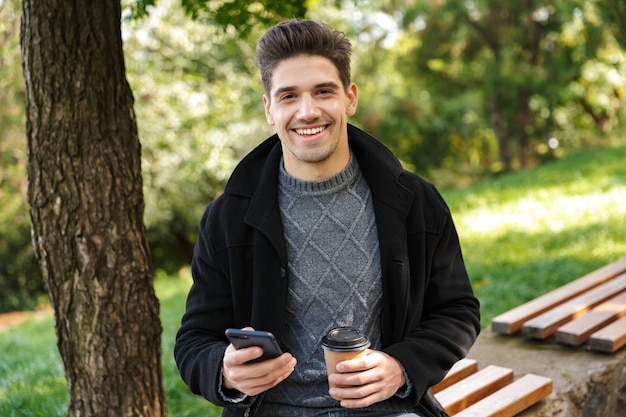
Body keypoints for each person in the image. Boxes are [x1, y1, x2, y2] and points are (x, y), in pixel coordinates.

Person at [174, 18, 480, 417]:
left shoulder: (415, 202)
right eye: (288, 96)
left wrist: (400, 366)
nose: (307, 111)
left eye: (323, 92)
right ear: (269, 109)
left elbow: (458, 312)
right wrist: (225, 370)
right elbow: (193, 342)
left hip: (388, 410)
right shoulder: (228, 218)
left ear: (349, 98)